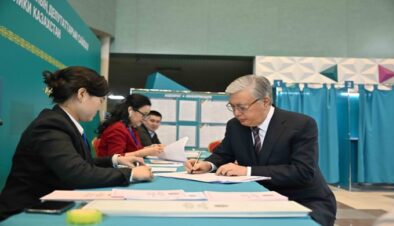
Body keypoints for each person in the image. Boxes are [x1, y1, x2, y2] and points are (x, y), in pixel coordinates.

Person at [0, 66, 153, 221]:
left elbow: (78, 163)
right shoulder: (50, 125)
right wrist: (131, 174)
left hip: (49, 206)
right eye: (100, 100)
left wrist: (115, 160)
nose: (100, 106)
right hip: (24, 213)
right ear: (82, 94)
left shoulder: (64, 122)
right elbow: (77, 173)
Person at [185, 75, 337, 226]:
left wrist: (247, 171)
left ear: (265, 101)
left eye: (242, 107)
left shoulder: (300, 124)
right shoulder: (235, 126)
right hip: (258, 198)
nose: (236, 113)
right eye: (232, 107)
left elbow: (303, 171)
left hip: (303, 200)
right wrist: (207, 164)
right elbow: (223, 153)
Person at [96, 94, 164, 157]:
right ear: (130, 110)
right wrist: (145, 152)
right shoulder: (117, 128)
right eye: (143, 114)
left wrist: (150, 148)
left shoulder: (131, 128)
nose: (144, 119)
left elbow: (136, 149)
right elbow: (116, 158)